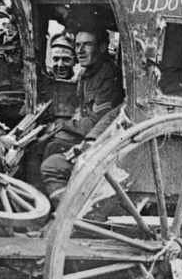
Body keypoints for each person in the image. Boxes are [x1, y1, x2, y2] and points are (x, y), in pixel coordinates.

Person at [40, 27, 123, 202]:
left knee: (49, 151)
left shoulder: (107, 74)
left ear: (101, 47)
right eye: (77, 45)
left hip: (103, 141)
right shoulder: (88, 71)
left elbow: (95, 123)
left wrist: (62, 124)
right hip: (91, 135)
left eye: (87, 45)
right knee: (42, 145)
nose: (80, 50)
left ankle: (53, 209)